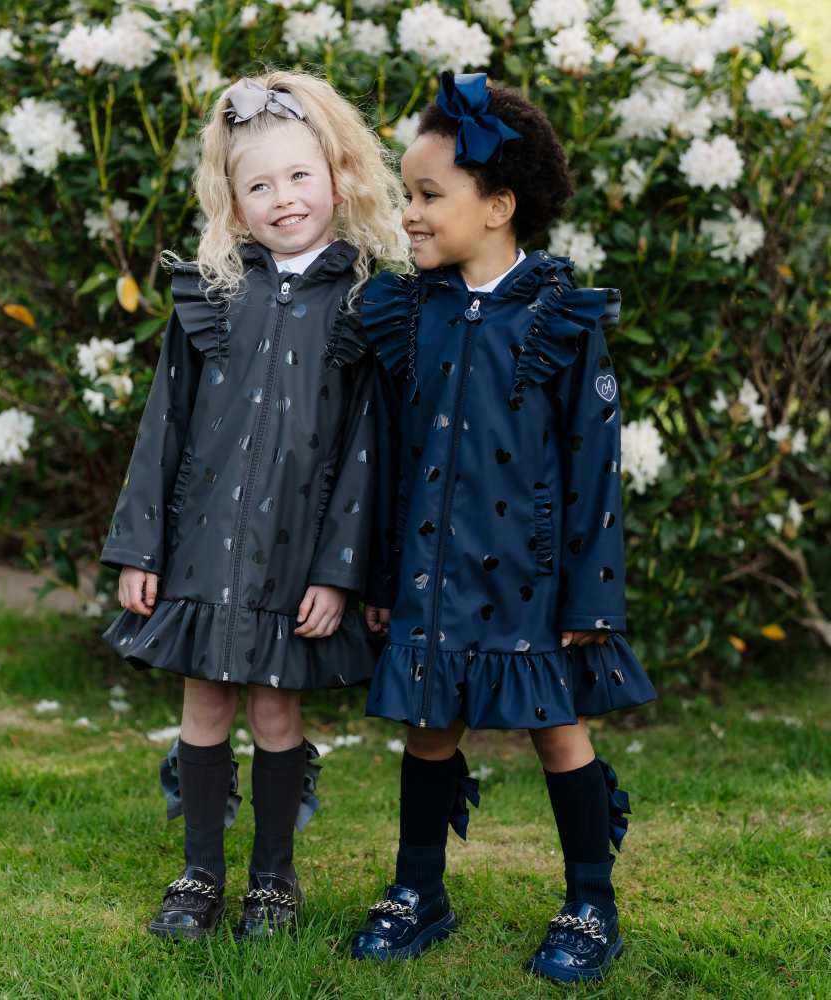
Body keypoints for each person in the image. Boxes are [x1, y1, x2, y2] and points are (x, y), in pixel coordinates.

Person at [349, 72, 656, 984]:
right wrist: (378, 580)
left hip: (528, 577)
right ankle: (418, 892)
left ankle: (591, 902)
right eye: (407, 193)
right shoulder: (411, 312)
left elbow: (593, 461)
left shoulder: (559, 315)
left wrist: (589, 596)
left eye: (428, 195)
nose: (408, 213)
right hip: (431, 575)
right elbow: (392, 458)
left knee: (559, 731)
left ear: (499, 206)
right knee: (428, 728)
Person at [99, 70, 406, 941]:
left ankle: (273, 879)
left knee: (275, 710)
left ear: (339, 172)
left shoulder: (362, 300)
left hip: (295, 553)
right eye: (259, 185)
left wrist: (339, 574)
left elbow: (366, 453)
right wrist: (141, 549)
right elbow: (164, 427)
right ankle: (198, 874)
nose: (283, 199)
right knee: (204, 706)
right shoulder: (211, 294)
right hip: (203, 546)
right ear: (232, 200)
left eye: (299, 176)